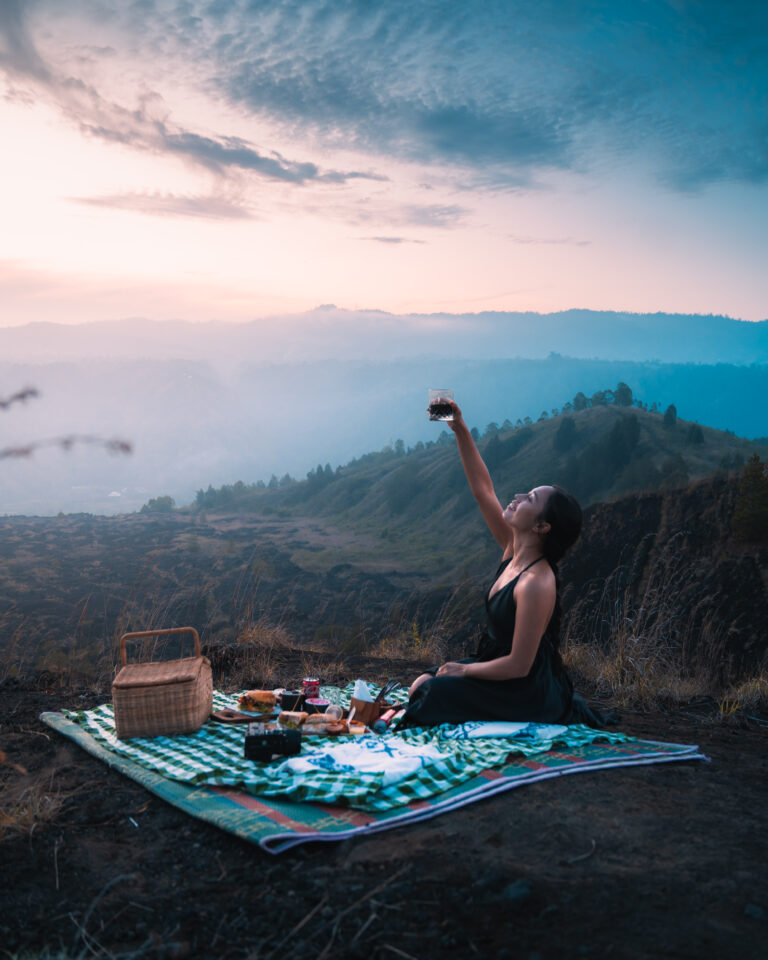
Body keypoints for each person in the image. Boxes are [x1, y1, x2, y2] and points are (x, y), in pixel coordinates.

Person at [400, 398, 608, 729]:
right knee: (420, 687)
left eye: (531, 499)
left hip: (525, 689)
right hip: (495, 667)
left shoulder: (536, 582)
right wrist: (459, 428)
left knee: (431, 695)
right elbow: (484, 491)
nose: (519, 497)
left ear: (542, 526)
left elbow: (520, 665)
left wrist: (464, 670)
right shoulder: (512, 547)